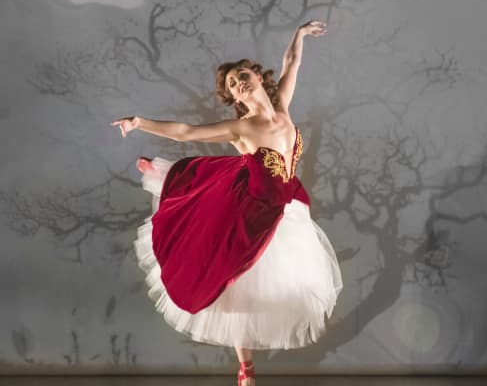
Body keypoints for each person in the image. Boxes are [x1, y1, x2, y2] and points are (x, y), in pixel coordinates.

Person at [110, 20, 342, 386]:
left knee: (271, 283)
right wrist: (140, 122)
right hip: (251, 211)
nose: (238, 83)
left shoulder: (282, 105)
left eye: (242, 75)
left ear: (256, 76)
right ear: (234, 99)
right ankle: (245, 368)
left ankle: (247, 367)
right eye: (232, 85)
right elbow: (186, 132)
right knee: (233, 283)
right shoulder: (241, 129)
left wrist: (299, 33)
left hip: (287, 206)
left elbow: (292, 63)